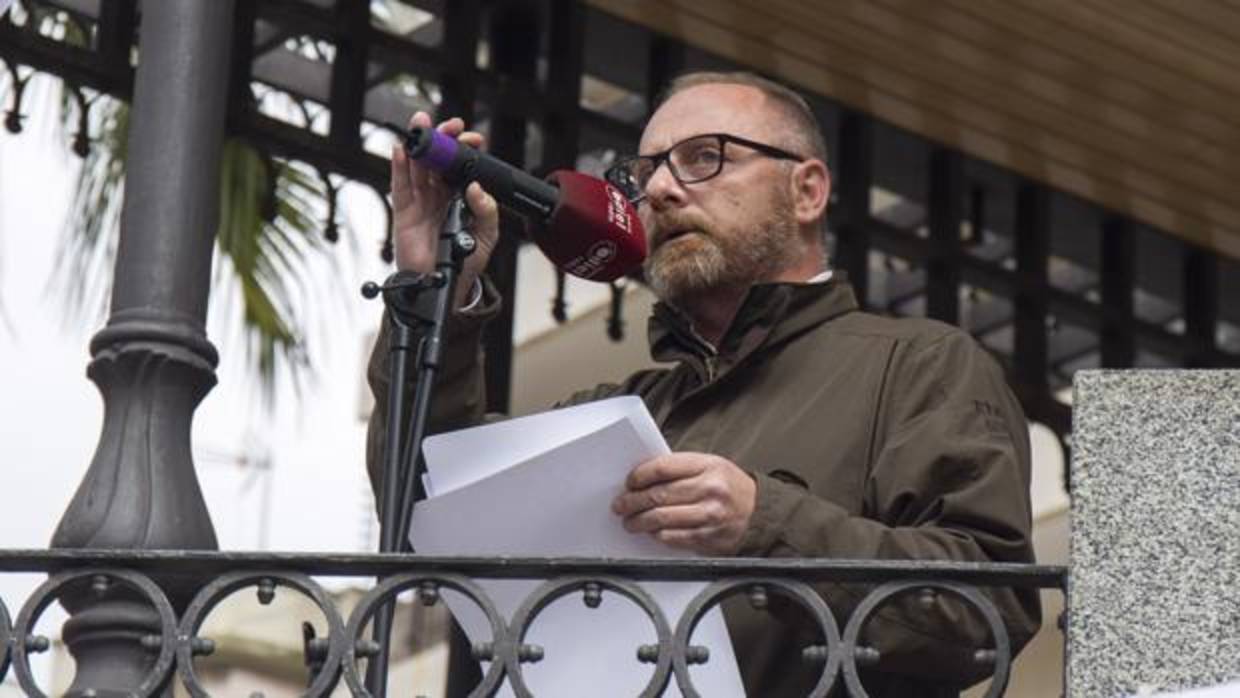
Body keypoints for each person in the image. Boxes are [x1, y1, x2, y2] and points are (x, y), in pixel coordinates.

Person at [367, 71, 1041, 697]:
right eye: (645, 170)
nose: (659, 190)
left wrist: (765, 526)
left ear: (806, 191)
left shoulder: (918, 364)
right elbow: (427, 495)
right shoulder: (612, 412)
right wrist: (430, 291)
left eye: (705, 156)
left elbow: (987, 612)